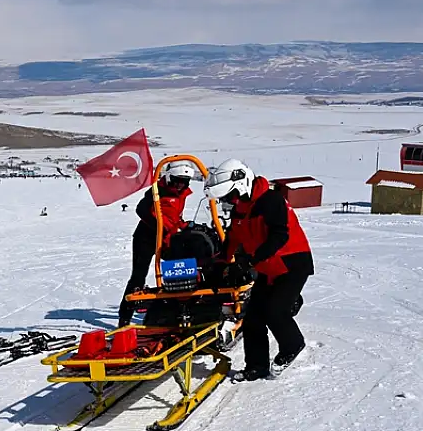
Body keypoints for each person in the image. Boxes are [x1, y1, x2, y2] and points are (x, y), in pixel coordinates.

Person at [206, 158, 313, 381]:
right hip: (267, 267)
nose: (229, 201)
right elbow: (232, 239)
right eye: (226, 198)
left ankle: (293, 345)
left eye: (230, 196)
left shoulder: (270, 200)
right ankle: (257, 366)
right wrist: (220, 264)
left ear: (242, 184)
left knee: (275, 311)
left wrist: (251, 260)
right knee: (253, 317)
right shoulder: (240, 209)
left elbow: (279, 235)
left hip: (292, 263)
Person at [116, 161, 197, 326]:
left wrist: (182, 225)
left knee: (179, 270)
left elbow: (173, 215)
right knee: (138, 276)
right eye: (177, 181)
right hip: (145, 238)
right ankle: (125, 318)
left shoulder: (181, 194)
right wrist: (159, 227)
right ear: (169, 178)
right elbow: (141, 209)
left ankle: (178, 308)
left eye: (184, 182)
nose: (180, 185)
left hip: (167, 238)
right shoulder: (157, 190)